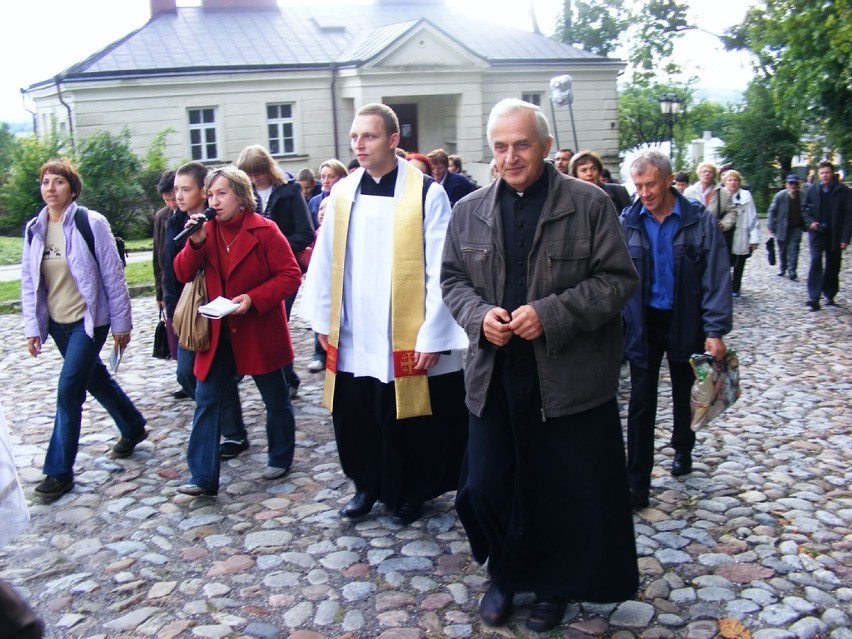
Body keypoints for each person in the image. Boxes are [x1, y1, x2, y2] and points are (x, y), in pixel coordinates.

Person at [441, 99, 639, 632]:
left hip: (566, 373)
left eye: (521, 144)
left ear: (546, 147)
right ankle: (506, 572)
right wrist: (479, 316)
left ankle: (552, 584)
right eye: (501, 146)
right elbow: (452, 281)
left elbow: (618, 280)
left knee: (556, 485)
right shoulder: (469, 210)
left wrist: (551, 314)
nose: (510, 156)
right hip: (495, 371)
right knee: (484, 484)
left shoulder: (590, 203)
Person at [303, 103, 469, 526]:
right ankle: (366, 485)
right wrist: (324, 321)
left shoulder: (427, 194)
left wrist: (433, 334)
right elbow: (324, 258)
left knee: (408, 418)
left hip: (405, 327)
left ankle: (412, 492)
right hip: (356, 327)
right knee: (357, 413)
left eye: (370, 136)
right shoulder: (343, 192)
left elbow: (441, 268)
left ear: (394, 141)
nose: (359, 144)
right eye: (356, 136)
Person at [21, 159, 148, 501]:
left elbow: (112, 275)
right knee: (94, 378)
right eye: (46, 181)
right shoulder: (35, 228)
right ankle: (133, 426)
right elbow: (29, 280)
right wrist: (33, 327)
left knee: (68, 389)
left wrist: (122, 323)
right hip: (59, 324)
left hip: (90, 322)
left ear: (72, 189)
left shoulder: (90, 222)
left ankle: (58, 472)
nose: (50, 187)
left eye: (58, 182)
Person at [172, 166, 302, 496]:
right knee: (206, 399)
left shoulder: (265, 230)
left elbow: (290, 275)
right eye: (210, 194)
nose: (213, 201)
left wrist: (253, 298)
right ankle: (201, 476)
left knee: (275, 397)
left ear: (241, 196)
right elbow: (182, 272)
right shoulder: (206, 231)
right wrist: (196, 244)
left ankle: (280, 455)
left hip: (258, 329)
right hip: (218, 333)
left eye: (221, 193)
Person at [621, 150, 732, 510]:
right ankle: (636, 480)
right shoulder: (629, 220)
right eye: (638, 185)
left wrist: (714, 330)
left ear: (669, 180)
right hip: (643, 321)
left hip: (686, 318)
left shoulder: (698, 220)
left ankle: (683, 447)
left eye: (650, 184)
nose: (644, 192)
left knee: (686, 391)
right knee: (640, 401)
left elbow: (716, 278)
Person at [165, 162, 248, 460]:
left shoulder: (215, 224)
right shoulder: (173, 221)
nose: (179, 195)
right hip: (188, 309)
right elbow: (170, 269)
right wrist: (168, 307)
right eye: (176, 189)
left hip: (218, 310)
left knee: (208, 377)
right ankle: (229, 428)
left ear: (204, 192)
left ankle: (230, 435)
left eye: (186, 189)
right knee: (187, 375)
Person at [237, 146, 314, 399]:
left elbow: (304, 231)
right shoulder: (244, 195)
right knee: (263, 325)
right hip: (255, 272)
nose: (254, 178)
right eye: (249, 174)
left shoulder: (289, 190)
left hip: (284, 269)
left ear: (268, 169)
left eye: (258, 173)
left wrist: (275, 249)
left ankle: (285, 379)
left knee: (278, 322)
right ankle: (285, 377)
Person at [307, 159, 349, 373]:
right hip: (321, 251)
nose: (325, 180)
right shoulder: (315, 201)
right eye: (322, 176)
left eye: (330, 176)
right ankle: (320, 352)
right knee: (323, 301)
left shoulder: (348, 196)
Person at [802, 161, 852, 310]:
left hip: (835, 233)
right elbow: (804, 209)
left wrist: (845, 238)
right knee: (816, 261)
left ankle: (829, 294)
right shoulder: (813, 190)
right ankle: (814, 297)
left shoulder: (843, 191)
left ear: (832, 173)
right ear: (818, 174)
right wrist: (810, 222)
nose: (824, 176)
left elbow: (849, 216)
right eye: (822, 173)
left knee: (833, 265)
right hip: (817, 232)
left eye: (827, 172)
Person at [683, 162, 737, 253]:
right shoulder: (689, 192)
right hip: (693, 234)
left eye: (710, 172)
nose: (707, 174)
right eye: (704, 171)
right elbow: (683, 210)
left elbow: (732, 211)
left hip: (714, 234)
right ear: (699, 173)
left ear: (714, 175)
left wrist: (724, 224)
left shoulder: (722, 192)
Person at [724, 170, 760, 297]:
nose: (733, 183)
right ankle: (725, 286)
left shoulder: (745, 196)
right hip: (726, 234)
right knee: (725, 263)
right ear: (725, 182)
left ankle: (736, 287)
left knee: (739, 263)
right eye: (730, 180)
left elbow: (752, 218)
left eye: (735, 180)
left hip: (740, 234)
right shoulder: (721, 195)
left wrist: (754, 239)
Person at [568, 150, 632, 213]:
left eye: (594, 169)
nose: (589, 173)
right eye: (584, 170)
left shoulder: (618, 191)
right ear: (575, 175)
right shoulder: (572, 199)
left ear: (599, 171)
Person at [767, 174, 805, 281]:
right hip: (781, 228)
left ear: (798, 185)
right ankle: (783, 267)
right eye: (791, 183)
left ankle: (792, 270)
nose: (793, 185)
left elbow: (807, 209)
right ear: (787, 184)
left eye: (795, 183)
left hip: (796, 227)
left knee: (794, 249)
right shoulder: (780, 196)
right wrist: (770, 225)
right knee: (782, 250)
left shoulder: (803, 195)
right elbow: (772, 211)